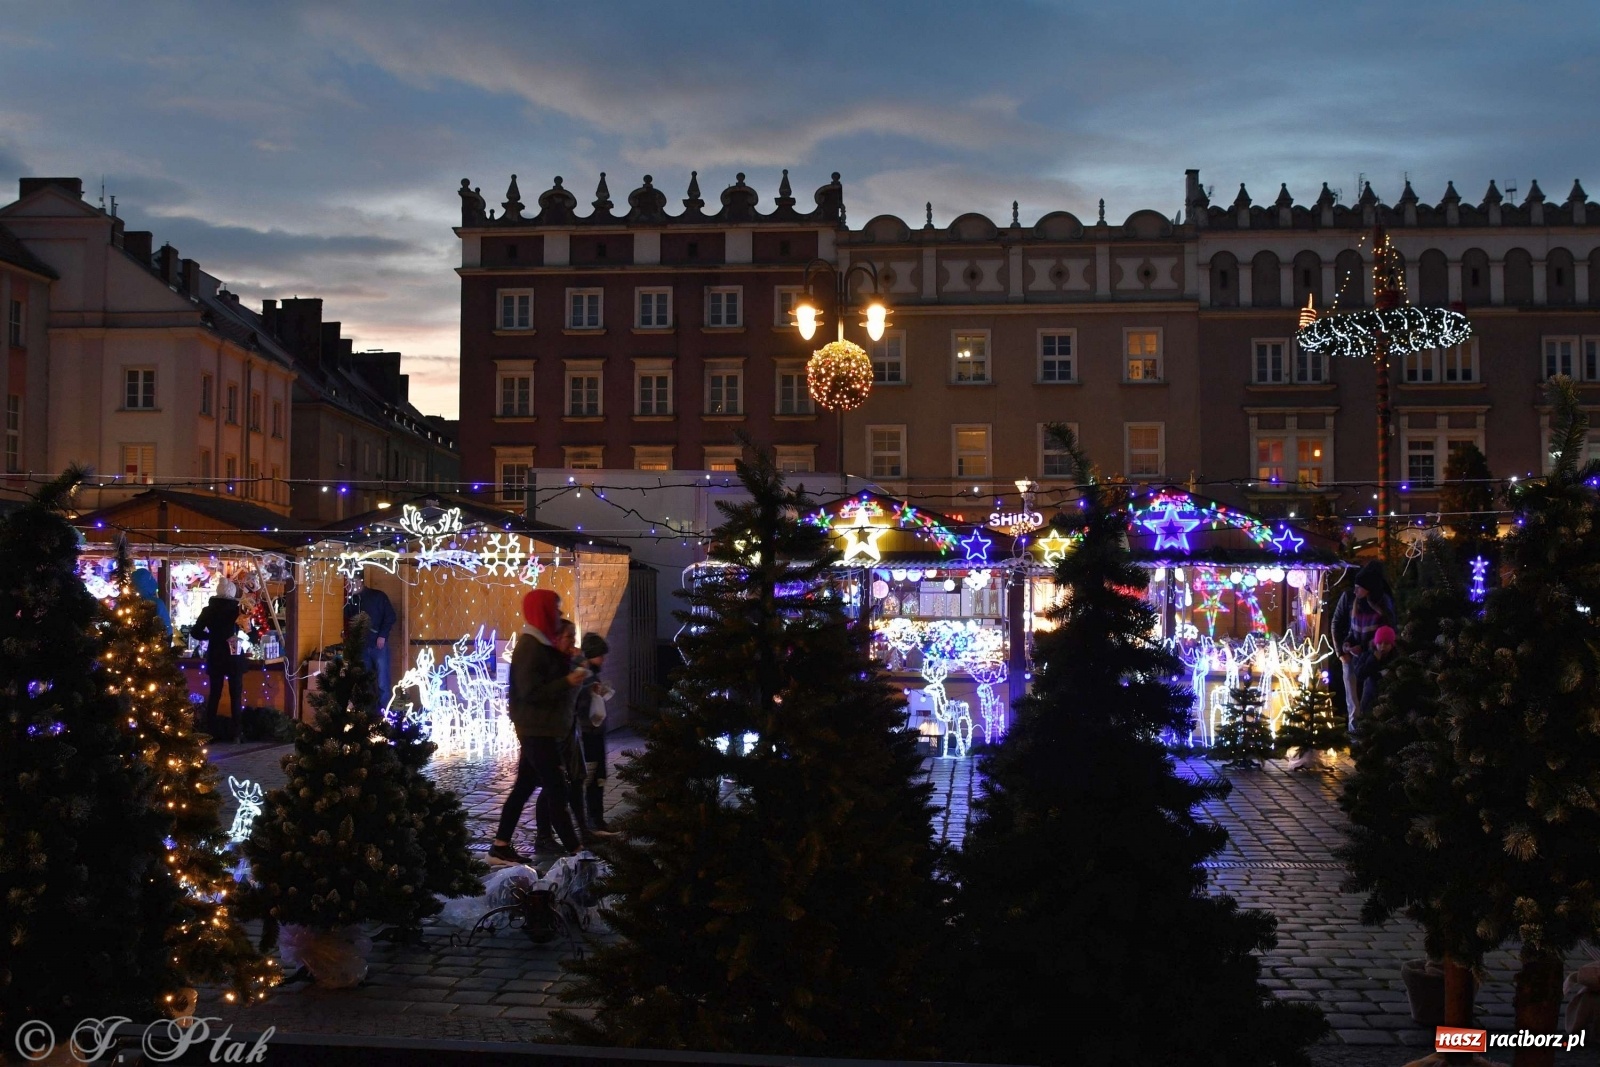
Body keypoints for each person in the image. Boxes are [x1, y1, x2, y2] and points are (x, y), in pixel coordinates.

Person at [489, 590, 589, 864]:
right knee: (557, 788)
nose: (559, 614)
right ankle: (577, 850)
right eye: (555, 609)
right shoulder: (531, 645)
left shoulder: (541, 643)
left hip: (541, 727)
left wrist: (568, 661)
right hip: (536, 728)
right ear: (543, 611)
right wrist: (567, 681)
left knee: (525, 785)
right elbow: (530, 691)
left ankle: (500, 846)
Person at [1332, 561, 1395, 735]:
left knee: (1369, 696)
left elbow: (1385, 632)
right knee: (1352, 698)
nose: (1355, 590)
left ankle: (1367, 734)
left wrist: (1367, 648)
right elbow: (1340, 624)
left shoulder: (1381, 604)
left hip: (1373, 656)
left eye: (1359, 587)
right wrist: (1343, 648)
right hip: (1351, 655)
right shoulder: (1351, 600)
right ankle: (1355, 735)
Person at [191, 577, 245, 742]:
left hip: (215, 655)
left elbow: (195, 632)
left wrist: (211, 636)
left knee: (215, 693)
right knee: (235, 694)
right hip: (234, 655)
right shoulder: (238, 611)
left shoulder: (209, 610)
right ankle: (236, 733)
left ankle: (210, 732)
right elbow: (251, 632)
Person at [577, 632, 614, 831]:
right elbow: (582, 708)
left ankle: (595, 818)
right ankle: (593, 819)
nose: (603, 660)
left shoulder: (590, 675)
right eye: (601, 655)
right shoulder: (586, 676)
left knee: (596, 776)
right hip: (589, 735)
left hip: (594, 734)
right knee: (592, 777)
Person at [343, 573, 397, 708]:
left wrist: (382, 635)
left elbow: (390, 617)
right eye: (348, 582)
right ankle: (367, 715)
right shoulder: (351, 600)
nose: (350, 585)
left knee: (382, 682)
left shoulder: (378, 597)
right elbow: (348, 618)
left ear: (360, 581)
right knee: (364, 681)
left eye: (353, 581)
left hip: (378, 645)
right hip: (361, 646)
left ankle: (385, 713)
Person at [1353, 625, 1398, 736]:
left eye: (1386, 644)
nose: (1382, 647)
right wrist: (1373, 660)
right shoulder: (1368, 655)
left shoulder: (1396, 658)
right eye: (1380, 643)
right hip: (1370, 698)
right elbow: (1360, 673)